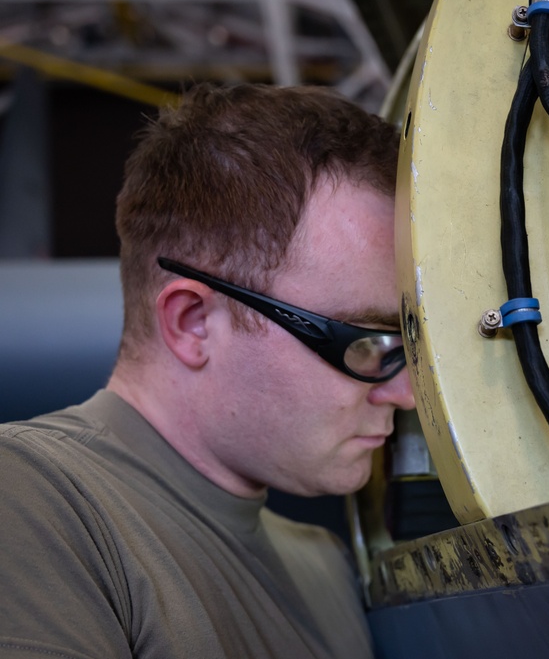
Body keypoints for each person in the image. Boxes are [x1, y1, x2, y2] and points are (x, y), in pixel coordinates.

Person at [0, 83, 415, 658]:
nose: (406, 392)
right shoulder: (33, 503)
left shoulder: (326, 569)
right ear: (193, 322)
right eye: (364, 339)